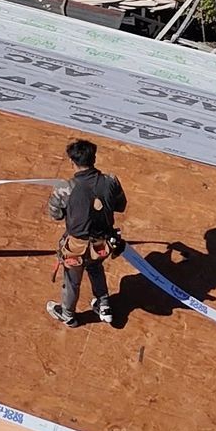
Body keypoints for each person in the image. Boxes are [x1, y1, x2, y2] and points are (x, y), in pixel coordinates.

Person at [45, 139, 127, 326]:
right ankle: (103, 303)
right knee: (95, 266)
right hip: (103, 245)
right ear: (94, 158)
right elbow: (120, 205)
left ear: (72, 162)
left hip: (77, 247)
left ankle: (68, 314)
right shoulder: (111, 181)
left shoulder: (64, 188)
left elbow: (55, 214)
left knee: (72, 279)